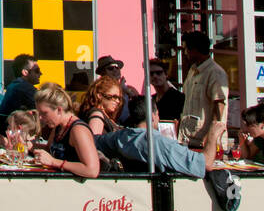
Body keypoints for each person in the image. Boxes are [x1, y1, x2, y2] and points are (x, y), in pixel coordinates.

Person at [97, 94, 227, 179]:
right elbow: (205, 164)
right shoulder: (159, 143)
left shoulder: (120, 137)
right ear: (154, 116)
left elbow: (93, 140)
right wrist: (213, 135)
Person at [32, 83, 100, 178]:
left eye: (44, 113)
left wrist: (53, 162)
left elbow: (92, 170)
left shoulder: (78, 130)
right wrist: (28, 146)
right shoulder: (58, 126)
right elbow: (49, 150)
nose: (40, 118)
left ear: (59, 110)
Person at [180, 32, 228, 148]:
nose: (185, 53)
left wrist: (211, 137)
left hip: (205, 142)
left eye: (186, 49)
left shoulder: (215, 72)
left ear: (195, 50)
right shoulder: (192, 71)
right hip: (188, 139)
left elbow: (219, 105)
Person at [95, 55, 137, 124]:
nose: (115, 70)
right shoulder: (100, 90)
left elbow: (140, 106)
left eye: (117, 67)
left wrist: (126, 91)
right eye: (110, 68)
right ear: (102, 73)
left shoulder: (129, 88)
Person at [148, 58, 185, 123]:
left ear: (166, 74)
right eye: (151, 74)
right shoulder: (151, 100)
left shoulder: (178, 98)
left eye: (159, 73)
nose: (155, 76)